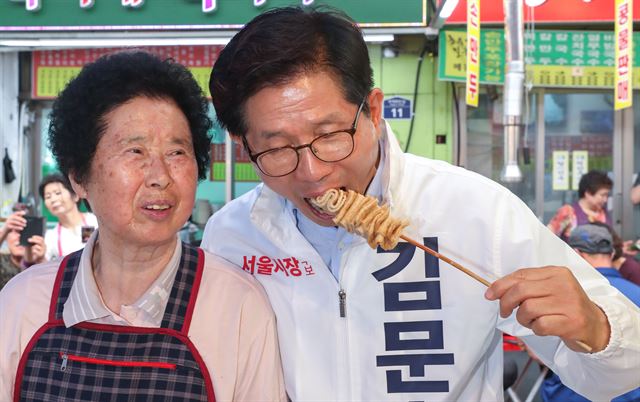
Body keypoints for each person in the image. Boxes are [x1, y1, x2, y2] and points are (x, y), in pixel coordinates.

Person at [200, 7, 640, 401]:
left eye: (331, 135)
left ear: (373, 111)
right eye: (276, 148)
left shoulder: (473, 211)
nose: (312, 172)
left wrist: (596, 330)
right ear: (244, 146)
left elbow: (623, 370)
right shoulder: (233, 237)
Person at [0, 51, 286, 401]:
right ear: (79, 177)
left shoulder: (238, 305)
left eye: (177, 153)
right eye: (135, 152)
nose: (160, 176)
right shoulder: (23, 303)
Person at [540, 224, 640, 402]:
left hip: (573, 396)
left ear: (576, 254)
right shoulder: (636, 292)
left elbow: (542, 352)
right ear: (611, 254)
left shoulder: (568, 297)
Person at [39, 172, 99, 261]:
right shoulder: (51, 236)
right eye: (48, 197)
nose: (53, 199)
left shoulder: (95, 221)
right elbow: (46, 267)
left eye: (58, 193)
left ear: (75, 195)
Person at [547, 170, 613, 241]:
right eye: (602, 195)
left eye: (607, 195)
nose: (605, 199)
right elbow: (547, 237)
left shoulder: (603, 212)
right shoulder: (568, 212)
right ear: (588, 193)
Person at [0, 210, 46, 289]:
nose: (19, 237)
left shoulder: (40, 264)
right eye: (16, 231)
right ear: (6, 237)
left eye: (24, 232)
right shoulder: (2, 260)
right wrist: (5, 230)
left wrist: (42, 260)